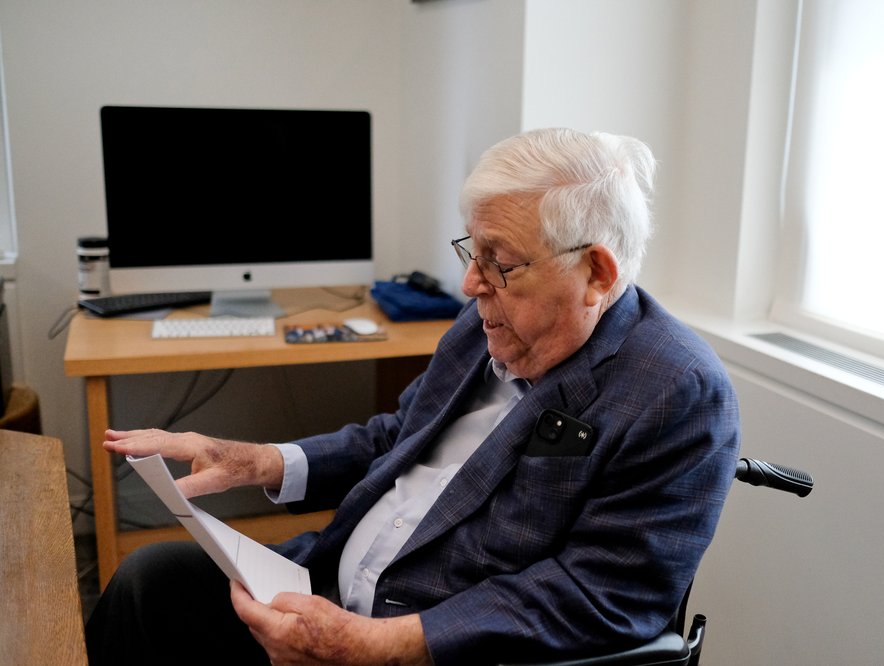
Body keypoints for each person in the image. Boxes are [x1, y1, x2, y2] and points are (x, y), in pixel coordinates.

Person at [85, 127, 740, 666]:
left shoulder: (676, 393)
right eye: (471, 251)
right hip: (330, 586)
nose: (468, 283)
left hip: (429, 645)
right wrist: (258, 461)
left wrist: (374, 646)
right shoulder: (484, 324)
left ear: (595, 272)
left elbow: (601, 596)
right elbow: (395, 438)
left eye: (499, 261)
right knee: (151, 581)